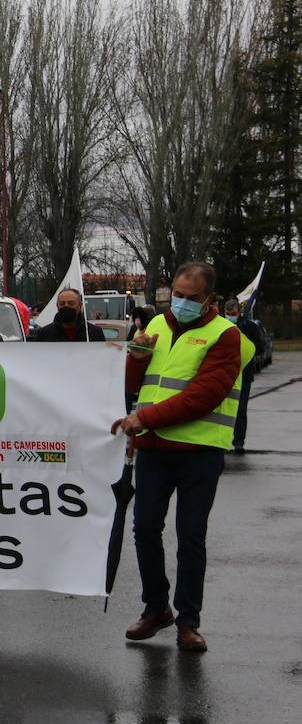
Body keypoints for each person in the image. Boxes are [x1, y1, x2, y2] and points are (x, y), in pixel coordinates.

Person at [114, 262, 253, 653]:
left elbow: (204, 395)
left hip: (199, 450)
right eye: (177, 294)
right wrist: (135, 359)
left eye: (192, 298)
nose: (182, 302)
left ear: (210, 298)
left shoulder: (226, 335)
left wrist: (144, 418)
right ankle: (156, 608)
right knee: (144, 529)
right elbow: (133, 385)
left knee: (191, 537)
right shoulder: (156, 325)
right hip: (154, 448)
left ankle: (188, 621)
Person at [222, 298, 263, 452]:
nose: (230, 316)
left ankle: (238, 441)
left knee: (240, 409)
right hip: (224, 374)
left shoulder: (249, 327)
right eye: (227, 314)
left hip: (243, 374)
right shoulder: (221, 325)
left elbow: (260, 347)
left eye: (233, 314)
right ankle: (223, 441)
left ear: (239, 312)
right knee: (223, 409)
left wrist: (246, 346)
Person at [32, 289, 106, 342]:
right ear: (57, 306)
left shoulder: (94, 332)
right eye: (62, 303)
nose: (66, 306)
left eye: (71, 303)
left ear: (80, 306)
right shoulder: (44, 334)